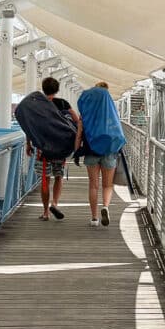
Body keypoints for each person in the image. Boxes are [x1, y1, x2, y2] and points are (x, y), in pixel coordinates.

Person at [14, 76, 77, 221]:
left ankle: (45, 212)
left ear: (43, 88)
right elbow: (76, 120)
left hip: (43, 150)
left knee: (45, 179)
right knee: (58, 177)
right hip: (60, 148)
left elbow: (31, 127)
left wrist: (29, 144)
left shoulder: (35, 105)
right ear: (57, 90)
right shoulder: (62, 103)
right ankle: (54, 203)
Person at [76, 81, 126, 227]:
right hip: (109, 150)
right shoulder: (111, 112)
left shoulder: (86, 112)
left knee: (93, 185)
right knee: (107, 185)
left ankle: (94, 218)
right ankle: (105, 206)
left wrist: (76, 151)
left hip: (91, 150)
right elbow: (118, 131)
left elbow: (79, 133)